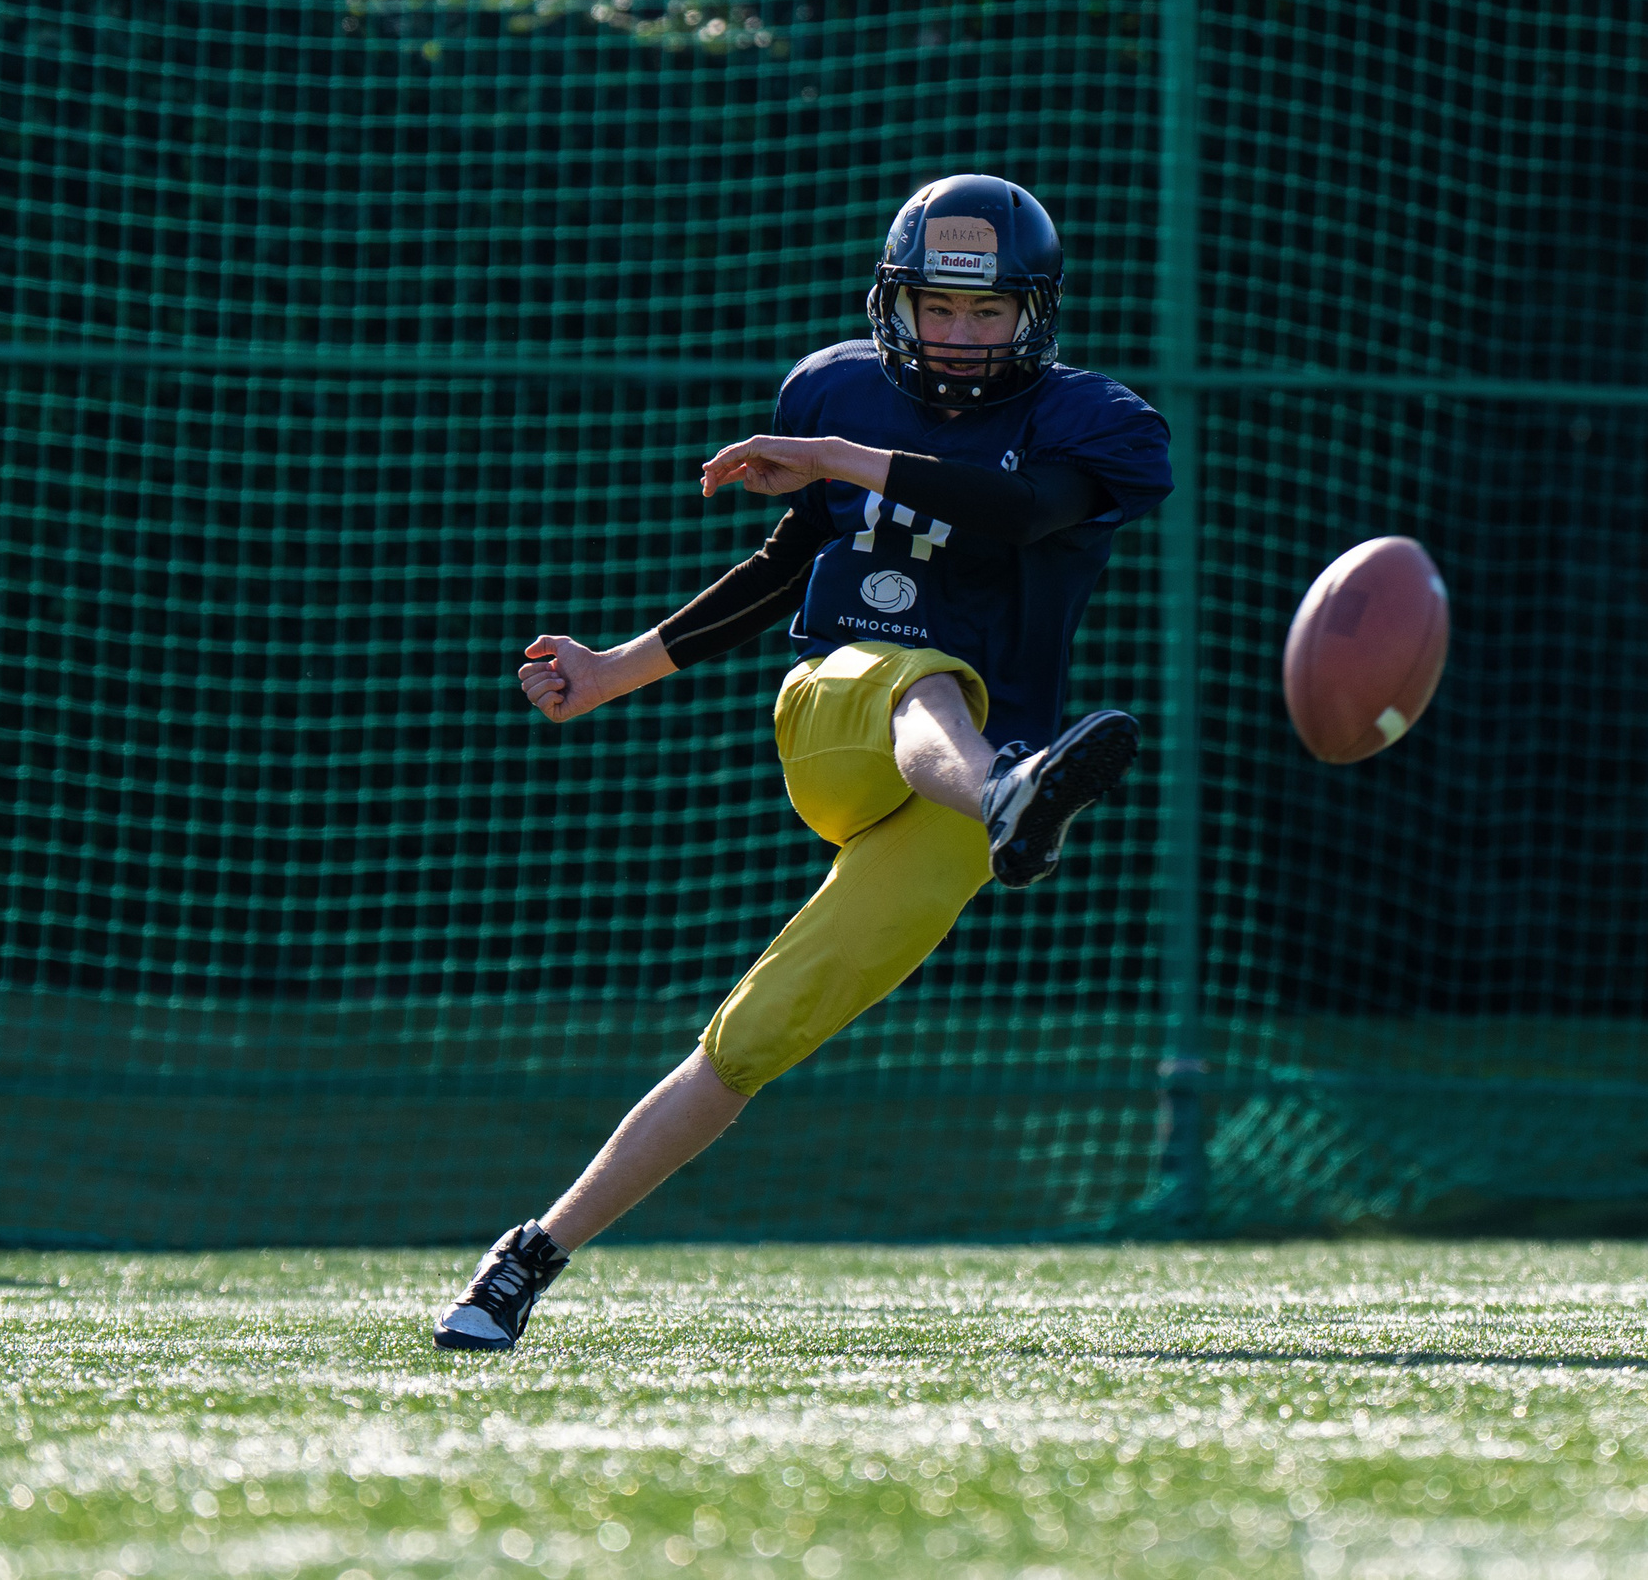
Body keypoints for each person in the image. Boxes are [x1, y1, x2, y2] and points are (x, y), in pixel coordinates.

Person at [431, 175, 1173, 1351]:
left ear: (1035, 317)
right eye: (941, 306)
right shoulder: (837, 386)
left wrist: (839, 455)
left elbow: (1023, 511)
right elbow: (788, 565)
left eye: (990, 316)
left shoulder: (1093, 422)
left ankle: (523, 1260)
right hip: (838, 716)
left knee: (753, 1036)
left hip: (965, 799)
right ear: (896, 302)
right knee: (915, 670)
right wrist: (619, 665)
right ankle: (1005, 792)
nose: (965, 336)